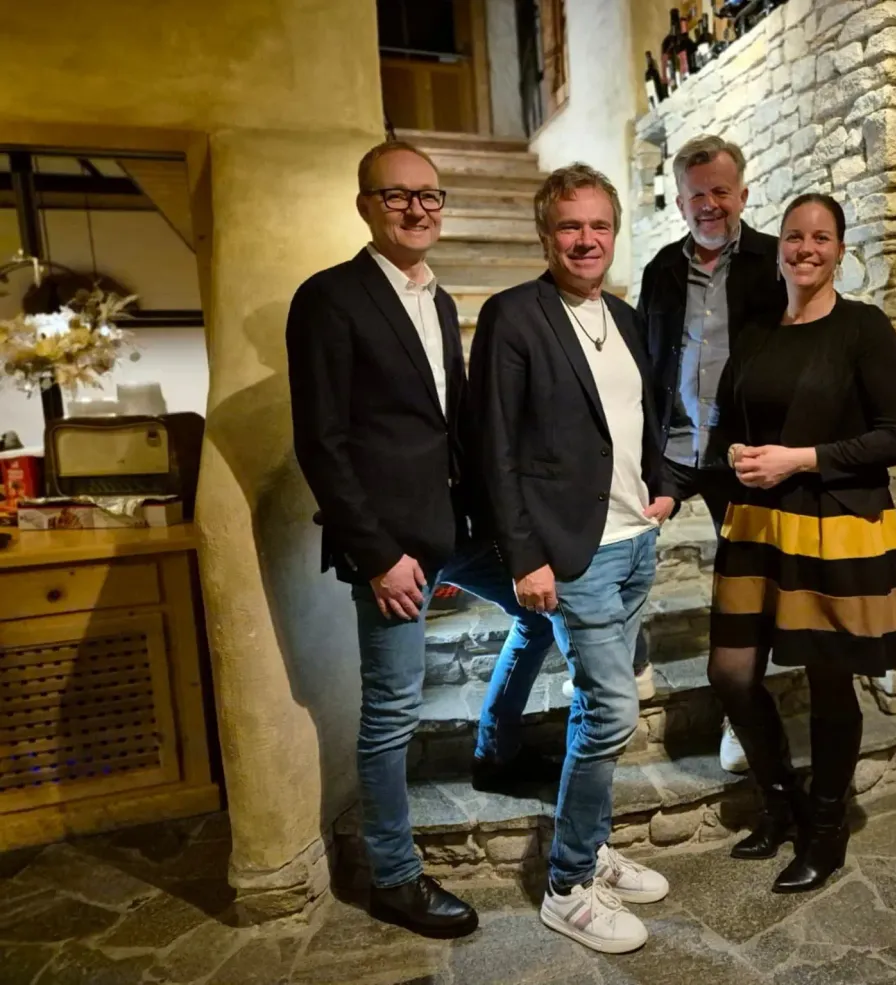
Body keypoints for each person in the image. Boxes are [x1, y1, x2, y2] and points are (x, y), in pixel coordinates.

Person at [285, 140, 556, 939]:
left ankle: (497, 743)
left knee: (544, 609)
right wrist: (376, 556)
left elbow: (452, 421)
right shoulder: (329, 299)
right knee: (391, 713)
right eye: (397, 195)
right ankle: (394, 878)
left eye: (429, 195)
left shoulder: (436, 299)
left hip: (456, 526)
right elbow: (322, 442)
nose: (416, 209)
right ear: (365, 205)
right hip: (391, 547)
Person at [468, 163, 678, 954]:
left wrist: (662, 485)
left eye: (599, 225)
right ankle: (566, 885)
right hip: (573, 554)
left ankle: (590, 846)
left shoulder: (620, 316)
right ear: (545, 233)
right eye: (569, 225)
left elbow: (641, 414)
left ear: (613, 232)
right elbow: (495, 446)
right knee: (613, 711)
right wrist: (526, 557)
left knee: (600, 710)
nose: (586, 239)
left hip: (634, 542)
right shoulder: (514, 315)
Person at [708, 193, 896, 894]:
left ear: (840, 250)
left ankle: (826, 833)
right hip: (758, 521)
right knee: (731, 672)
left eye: (821, 237)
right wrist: (730, 455)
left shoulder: (864, 328)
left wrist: (797, 460)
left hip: (832, 522)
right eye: (795, 236)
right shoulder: (758, 331)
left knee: (830, 680)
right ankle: (782, 808)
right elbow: (726, 421)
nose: (805, 248)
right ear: (780, 248)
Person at [637, 133, 787, 774]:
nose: (709, 205)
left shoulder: (774, 262)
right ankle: (629, 668)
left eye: (721, 192)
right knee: (619, 544)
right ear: (680, 202)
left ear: (742, 194)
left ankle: (737, 709)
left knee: (745, 581)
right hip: (671, 447)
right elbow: (644, 360)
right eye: (697, 195)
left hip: (740, 452)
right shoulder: (660, 270)